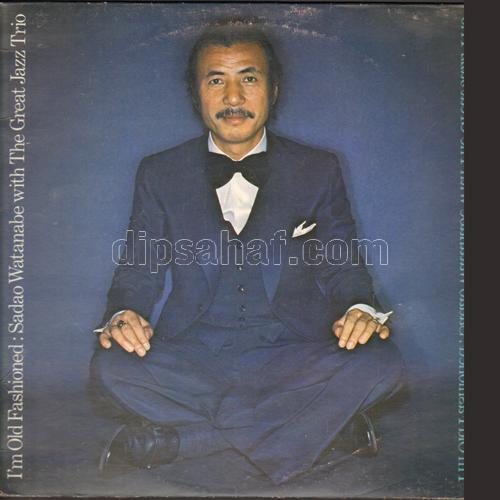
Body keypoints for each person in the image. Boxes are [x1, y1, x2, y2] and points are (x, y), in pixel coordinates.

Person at [89, 18, 404, 485]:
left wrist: (359, 308)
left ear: (273, 90)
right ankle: (325, 426)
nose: (233, 98)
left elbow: (343, 265)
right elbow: (139, 269)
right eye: (216, 80)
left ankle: (184, 441)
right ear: (196, 94)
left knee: (382, 363)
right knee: (111, 367)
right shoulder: (159, 172)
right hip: (193, 355)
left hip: (293, 354)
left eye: (249, 78)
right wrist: (124, 314)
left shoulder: (318, 168)